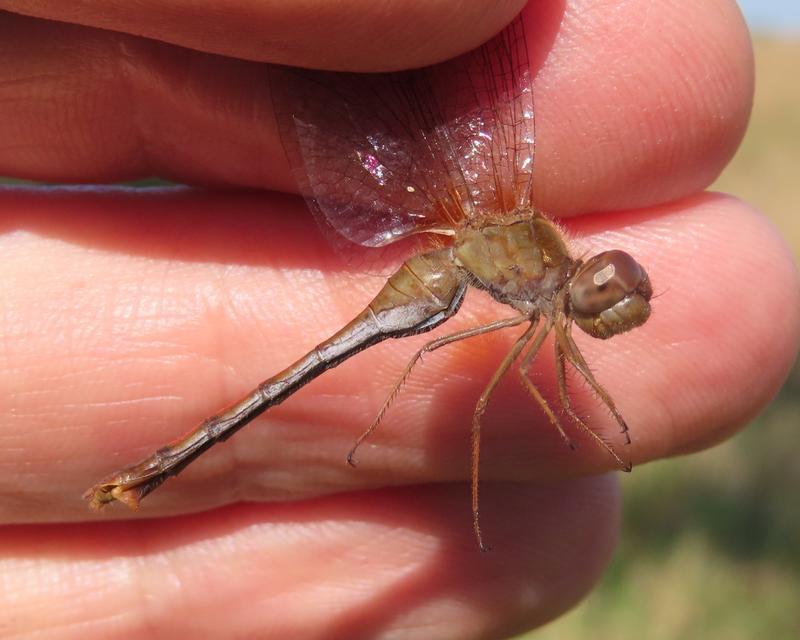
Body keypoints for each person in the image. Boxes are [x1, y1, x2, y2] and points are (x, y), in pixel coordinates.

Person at [0, 1, 797, 637]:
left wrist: (609, 424)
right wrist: (600, 430)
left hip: (452, 274)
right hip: (434, 279)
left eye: (603, 290)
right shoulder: (541, 290)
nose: (606, 297)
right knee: (474, 395)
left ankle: (154, 470)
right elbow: (515, 383)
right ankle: (162, 464)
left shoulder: (546, 290)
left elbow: (561, 361)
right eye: (602, 289)